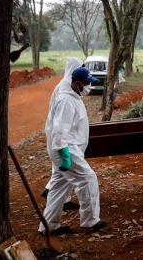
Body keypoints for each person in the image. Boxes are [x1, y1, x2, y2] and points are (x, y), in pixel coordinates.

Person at [39, 67, 107, 235]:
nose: (89, 86)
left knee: (59, 187)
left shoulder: (73, 96)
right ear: (77, 83)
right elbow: (59, 129)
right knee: (88, 178)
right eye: (87, 83)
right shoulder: (66, 101)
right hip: (66, 148)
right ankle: (90, 221)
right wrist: (64, 153)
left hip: (68, 147)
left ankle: (48, 225)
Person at [41, 58, 82, 211]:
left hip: (57, 133)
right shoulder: (65, 87)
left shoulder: (64, 84)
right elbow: (62, 118)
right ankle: (56, 196)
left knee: (59, 169)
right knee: (64, 167)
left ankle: (55, 194)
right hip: (59, 134)